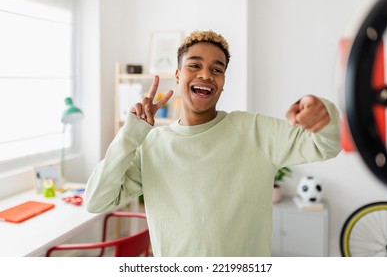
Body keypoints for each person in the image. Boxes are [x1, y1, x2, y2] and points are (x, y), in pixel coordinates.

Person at [85, 30, 341, 256]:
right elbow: (97, 200)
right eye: (194, 66)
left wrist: (323, 113)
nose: (206, 74)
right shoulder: (151, 145)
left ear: (223, 83)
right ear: (177, 75)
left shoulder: (254, 131)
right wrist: (130, 135)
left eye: (217, 69)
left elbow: (326, 144)